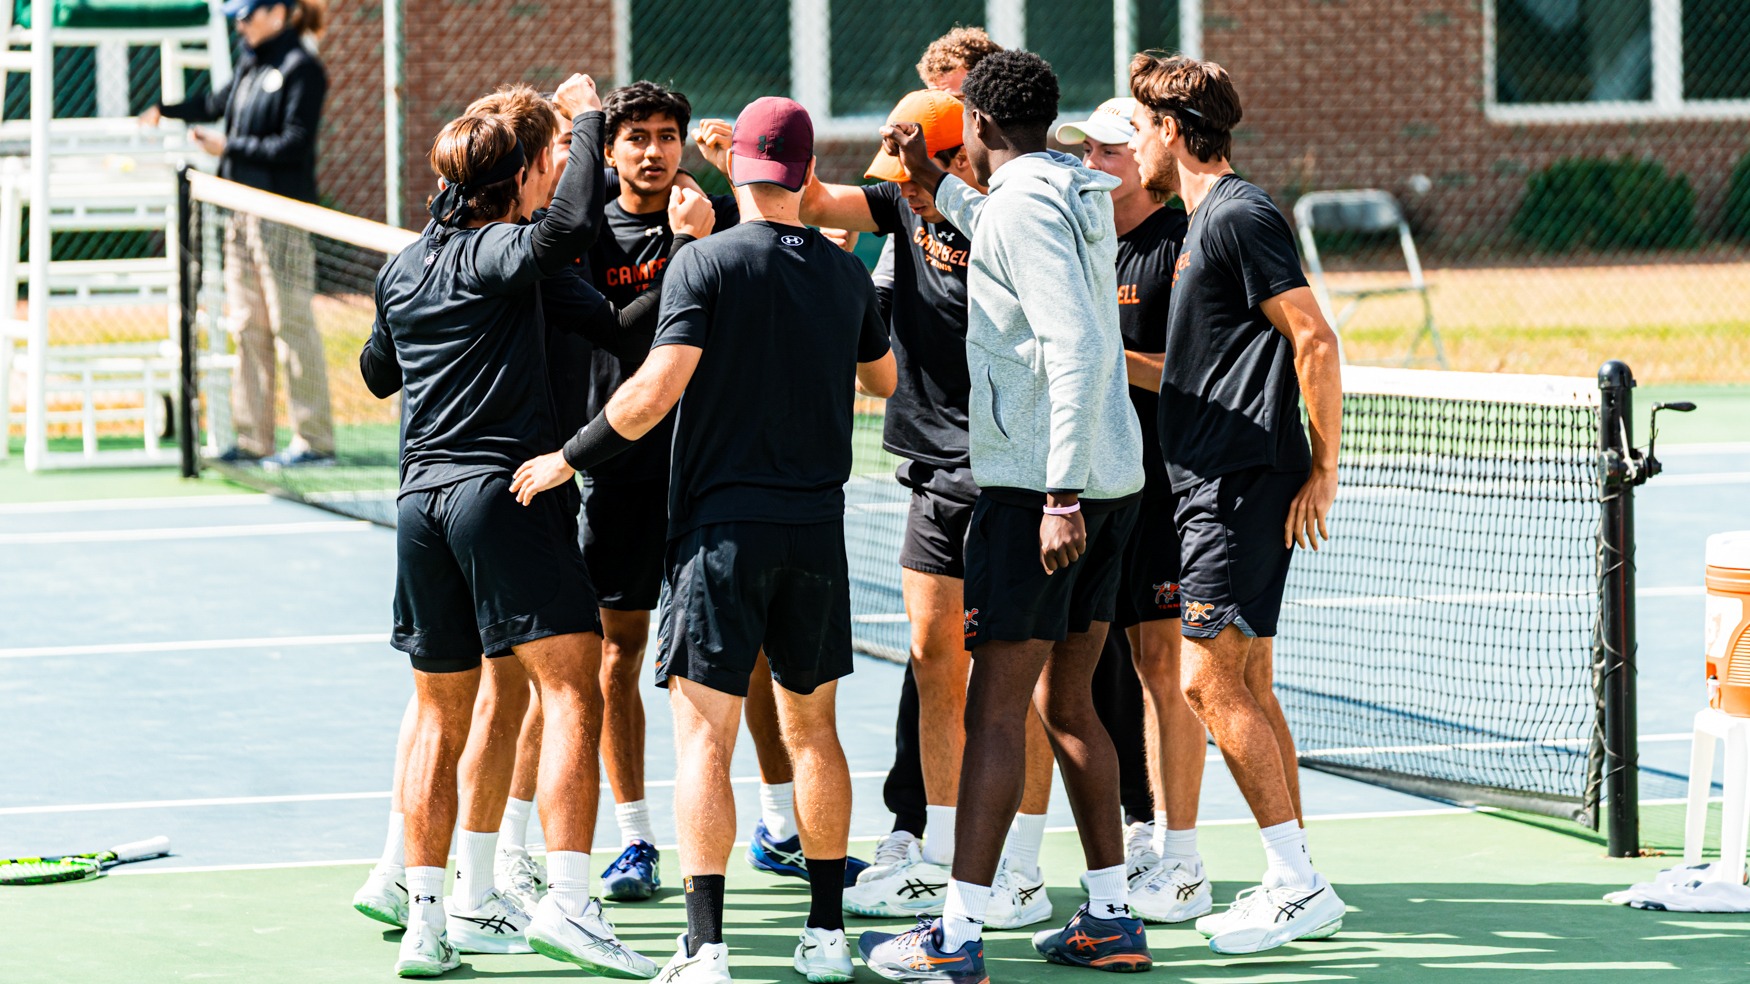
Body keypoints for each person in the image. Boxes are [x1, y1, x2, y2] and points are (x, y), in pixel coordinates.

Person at [511, 96, 896, 984]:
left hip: (721, 532)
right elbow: (884, 379)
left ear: (737, 166)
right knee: (816, 735)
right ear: (803, 170)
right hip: (817, 532)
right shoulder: (843, 274)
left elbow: (652, 394)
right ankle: (828, 938)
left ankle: (707, 948)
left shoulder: (707, 262)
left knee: (704, 743)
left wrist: (570, 457)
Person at [357, 76, 672, 979]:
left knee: (435, 715)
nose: (562, 174)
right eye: (554, 161)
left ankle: (433, 920)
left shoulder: (408, 266)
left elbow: (615, 329)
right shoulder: (509, 250)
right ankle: (571, 908)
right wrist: (586, 120)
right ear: (533, 169)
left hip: (420, 509)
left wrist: (683, 265)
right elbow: (566, 226)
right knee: (573, 695)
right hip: (507, 496)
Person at [860, 50, 1151, 980]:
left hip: (1044, 491)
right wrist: (929, 184)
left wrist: (1056, 492)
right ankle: (1110, 918)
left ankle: (956, 939)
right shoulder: (1071, 186)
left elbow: (1069, 343)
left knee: (995, 713)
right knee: (1071, 704)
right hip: (1113, 481)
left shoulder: (1026, 200)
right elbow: (1000, 225)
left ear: (982, 125)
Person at [738, 87, 1049, 930]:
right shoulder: (897, 201)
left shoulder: (1011, 213)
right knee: (931, 658)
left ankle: (1022, 864)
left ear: (954, 156)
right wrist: (744, 153)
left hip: (1009, 463)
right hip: (929, 458)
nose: (897, 190)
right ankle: (943, 857)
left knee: (1020, 684)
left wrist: (935, 189)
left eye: (912, 172)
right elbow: (806, 198)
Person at [1127, 52, 1346, 954]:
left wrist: (1325, 468)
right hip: (1217, 480)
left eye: (1139, 127)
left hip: (1235, 486)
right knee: (1247, 680)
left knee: (1203, 682)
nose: (1134, 143)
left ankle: (1297, 882)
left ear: (1173, 132)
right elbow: (1194, 373)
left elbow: (1316, 340)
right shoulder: (1204, 223)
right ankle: (1292, 873)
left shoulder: (1237, 214)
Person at [1058, 97, 1211, 923]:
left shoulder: (1176, 245)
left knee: (1168, 676)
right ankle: (1142, 828)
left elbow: (1190, 369)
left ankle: (1179, 855)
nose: (1093, 164)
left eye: (1110, 152)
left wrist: (1098, 357)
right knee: (1089, 672)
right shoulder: (1085, 243)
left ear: (1144, 159)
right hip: (1093, 490)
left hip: (1163, 490)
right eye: (1084, 151)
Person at [146, 0, 334, 468]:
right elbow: (214, 103)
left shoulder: (302, 69)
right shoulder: (251, 64)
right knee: (248, 325)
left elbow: (292, 145)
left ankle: (314, 441)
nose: (240, 23)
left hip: (281, 215)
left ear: (279, 12)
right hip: (239, 215)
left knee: (290, 324)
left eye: (247, 14)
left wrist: (229, 146)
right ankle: (254, 440)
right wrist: (164, 110)